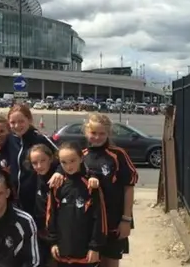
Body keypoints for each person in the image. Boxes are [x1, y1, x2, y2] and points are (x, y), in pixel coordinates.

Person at [49, 113, 138, 267]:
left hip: (113, 220)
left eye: (102, 133)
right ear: (86, 132)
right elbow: (66, 165)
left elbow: (128, 188)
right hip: (89, 225)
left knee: (110, 262)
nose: (97, 137)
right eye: (93, 133)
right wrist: (58, 171)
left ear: (109, 133)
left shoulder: (118, 155)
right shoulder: (81, 156)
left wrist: (126, 219)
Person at [46, 143, 107, 266]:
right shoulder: (57, 185)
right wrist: (53, 242)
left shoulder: (91, 185)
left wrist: (95, 247)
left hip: (85, 252)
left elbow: (100, 218)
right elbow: (51, 214)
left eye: (72, 160)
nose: (69, 166)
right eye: (64, 162)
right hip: (63, 250)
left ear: (81, 158)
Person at [2, 104, 57, 216]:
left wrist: (59, 173)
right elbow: (2, 156)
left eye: (21, 121)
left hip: (37, 199)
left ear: (29, 120)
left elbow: (62, 157)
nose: (17, 125)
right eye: (13, 122)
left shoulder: (40, 138)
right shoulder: (10, 139)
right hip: (15, 199)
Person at [29, 144, 59, 267]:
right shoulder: (35, 176)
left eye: (43, 161)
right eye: (35, 163)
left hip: (57, 235)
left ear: (51, 159)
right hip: (40, 232)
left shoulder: (58, 178)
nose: (39, 166)